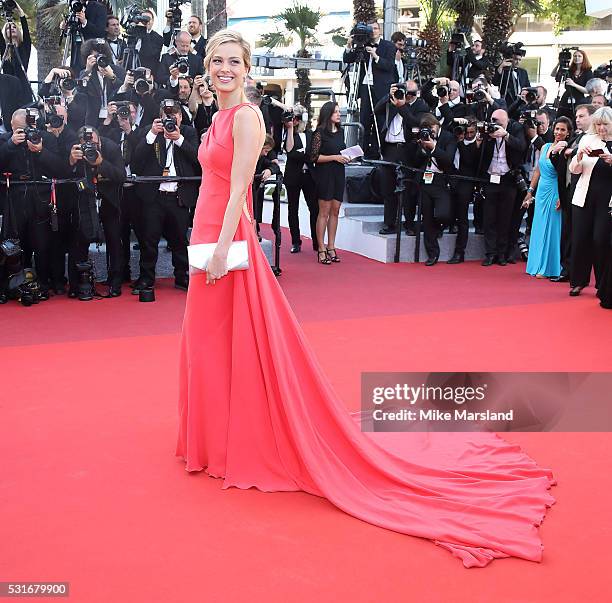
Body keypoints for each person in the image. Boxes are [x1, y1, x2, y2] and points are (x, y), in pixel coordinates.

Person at [177, 29, 556, 569]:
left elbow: (241, 188)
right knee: (207, 343)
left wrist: (220, 249)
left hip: (224, 240)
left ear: (248, 68)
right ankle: (215, 438)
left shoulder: (246, 117)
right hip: (203, 232)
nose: (224, 69)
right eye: (216, 61)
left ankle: (240, 439)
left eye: (233, 61)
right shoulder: (215, 116)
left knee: (231, 341)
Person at [567, 106, 612, 296]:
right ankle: (578, 281)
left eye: (605, 124)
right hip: (584, 196)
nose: (601, 128)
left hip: (607, 200)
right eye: (598, 124)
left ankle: (602, 285)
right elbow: (573, 170)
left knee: (600, 240)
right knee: (579, 239)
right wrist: (578, 156)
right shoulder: (587, 139)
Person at [521, 118, 573, 278]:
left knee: (552, 230)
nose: (559, 132)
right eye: (557, 129)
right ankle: (536, 265)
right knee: (539, 227)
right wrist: (530, 191)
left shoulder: (566, 151)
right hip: (541, 192)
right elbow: (538, 170)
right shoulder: (545, 147)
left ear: (568, 133)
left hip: (555, 192)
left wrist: (562, 197)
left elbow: (567, 176)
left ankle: (550, 268)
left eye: (563, 130)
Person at [343, 20, 396, 158]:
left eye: (376, 28)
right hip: (365, 87)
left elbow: (389, 66)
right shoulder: (362, 44)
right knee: (364, 121)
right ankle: (362, 153)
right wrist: (350, 45)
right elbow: (348, 59)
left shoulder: (388, 46)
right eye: (370, 29)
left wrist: (375, 56)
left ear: (380, 30)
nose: (373, 31)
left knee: (380, 121)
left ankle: (378, 152)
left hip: (381, 89)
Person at [310, 101, 349, 264]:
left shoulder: (340, 132)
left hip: (339, 172)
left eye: (339, 112)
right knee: (324, 212)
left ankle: (331, 246)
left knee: (335, 210)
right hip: (325, 174)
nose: (339, 115)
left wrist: (348, 157)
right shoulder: (319, 132)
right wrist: (334, 157)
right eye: (336, 112)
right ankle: (321, 248)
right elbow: (313, 157)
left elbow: (342, 150)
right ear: (328, 114)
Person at [283, 105, 318, 252]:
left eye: (297, 118)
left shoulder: (311, 134)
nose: (294, 121)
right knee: (293, 209)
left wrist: (302, 155)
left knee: (314, 208)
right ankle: (295, 241)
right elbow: (290, 152)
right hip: (293, 176)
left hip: (310, 175)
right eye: (293, 118)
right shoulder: (288, 133)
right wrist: (290, 128)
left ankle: (317, 242)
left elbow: (313, 155)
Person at [0, 2, 31, 101]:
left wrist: (21, 13)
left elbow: (26, 31)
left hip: (23, 89)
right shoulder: (4, 48)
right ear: (5, 33)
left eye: (14, 27)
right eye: (8, 28)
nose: (12, 28)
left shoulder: (24, 47)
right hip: (8, 90)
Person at [553, 49, 593, 120]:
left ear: (584, 58)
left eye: (579, 56)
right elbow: (553, 74)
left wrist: (574, 84)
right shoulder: (569, 70)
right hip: (566, 97)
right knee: (561, 118)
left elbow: (587, 90)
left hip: (579, 99)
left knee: (576, 118)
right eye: (575, 56)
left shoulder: (588, 72)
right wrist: (559, 63)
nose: (576, 58)